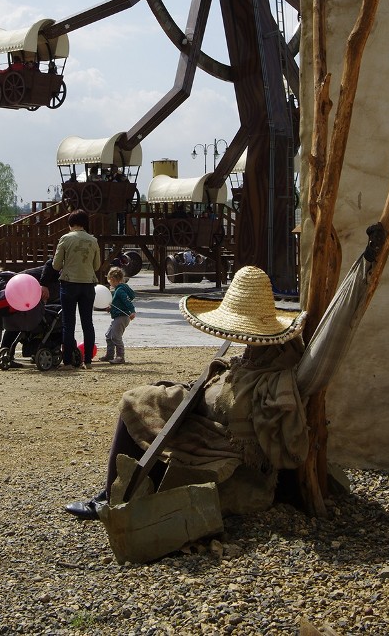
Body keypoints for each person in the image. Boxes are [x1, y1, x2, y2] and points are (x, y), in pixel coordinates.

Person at [65, 265, 308, 520]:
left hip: (220, 433)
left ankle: (113, 496)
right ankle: (116, 492)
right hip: (213, 421)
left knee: (137, 401)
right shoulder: (264, 353)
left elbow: (240, 409)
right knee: (154, 398)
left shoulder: (270, 364)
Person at [52, 209, 101, 370]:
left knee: (68, 323)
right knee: (88, 323)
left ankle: (67, 361)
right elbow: (97, 265)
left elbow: (56, 265)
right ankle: (87, 361)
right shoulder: (93, 240)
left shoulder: (65, 239)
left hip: (69, 283)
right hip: (88, 284)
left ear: (70, 223)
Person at [98, 266, 136, 365]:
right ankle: (109, 355)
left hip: (121, 317)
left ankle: (120, 357)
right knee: (108, 335)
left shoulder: (120, 290)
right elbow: (120, 303)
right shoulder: (119, 289)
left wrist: (132, 311)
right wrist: (112, 308)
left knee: (116, 337)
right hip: (118, 316)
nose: (109, 283)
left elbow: (126, 301)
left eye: (109, 281)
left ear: (114, 280)